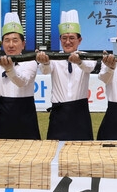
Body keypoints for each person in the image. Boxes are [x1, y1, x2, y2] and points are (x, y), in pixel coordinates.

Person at [35, 10, 96, 141]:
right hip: (59, 113)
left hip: (80, 113)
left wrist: (79, 61)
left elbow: (89, 67)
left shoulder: (87, 56)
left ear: (80, 40)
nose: (68, 42)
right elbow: (46, 70)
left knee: (82, 153)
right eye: (64, 38)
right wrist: (44, 62)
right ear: (60, 39)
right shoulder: (54, 57)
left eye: (72, 38)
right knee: (55, 152)